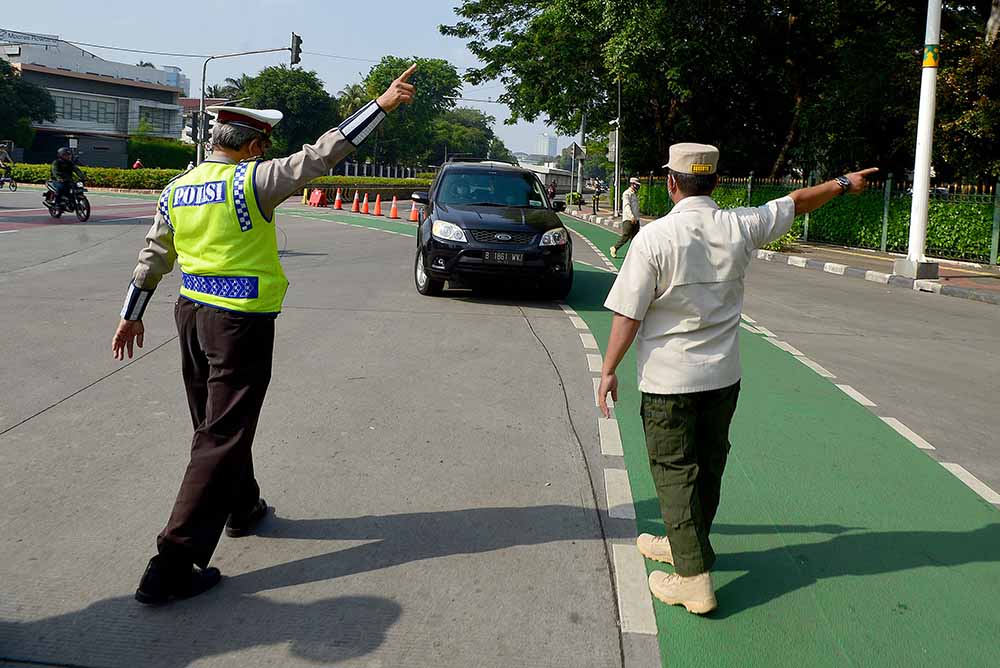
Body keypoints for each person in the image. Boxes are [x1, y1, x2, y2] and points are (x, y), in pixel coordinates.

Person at [111, 64, 418, 605]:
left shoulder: (177, 188)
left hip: (190, 315)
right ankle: (172, 564)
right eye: (263, 146)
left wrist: (131, 313)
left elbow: (154, 254)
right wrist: (382, 106)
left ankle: (242, 506)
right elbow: (323, 153)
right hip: (240, 321)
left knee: (216, 424)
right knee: (221, 432)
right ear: (253, 146)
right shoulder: (253, 181)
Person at [597, 142, 877, 615]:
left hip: (669, 383)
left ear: (671, 183)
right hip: (723, 378)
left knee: (675, 472)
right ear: (715, 182)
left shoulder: (653, 239)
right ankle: (685, 544)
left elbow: (628, 314)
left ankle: (693, 581)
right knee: (708, 467)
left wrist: (608, 370)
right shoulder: (741, 225)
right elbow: (797, 202)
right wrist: (844, 183)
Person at [609, 176, 641, 258]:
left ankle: (632, 254)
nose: (637, 186)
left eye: (638, 185)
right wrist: (631, 216)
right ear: (632, 184)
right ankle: (615, 248)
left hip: (636, 219)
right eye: (636, 185)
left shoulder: (635, 194)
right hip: (628, 219)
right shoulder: (627, 193)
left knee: (635, 238)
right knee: (626, 235)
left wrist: (637, 218)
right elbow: (626, 206)